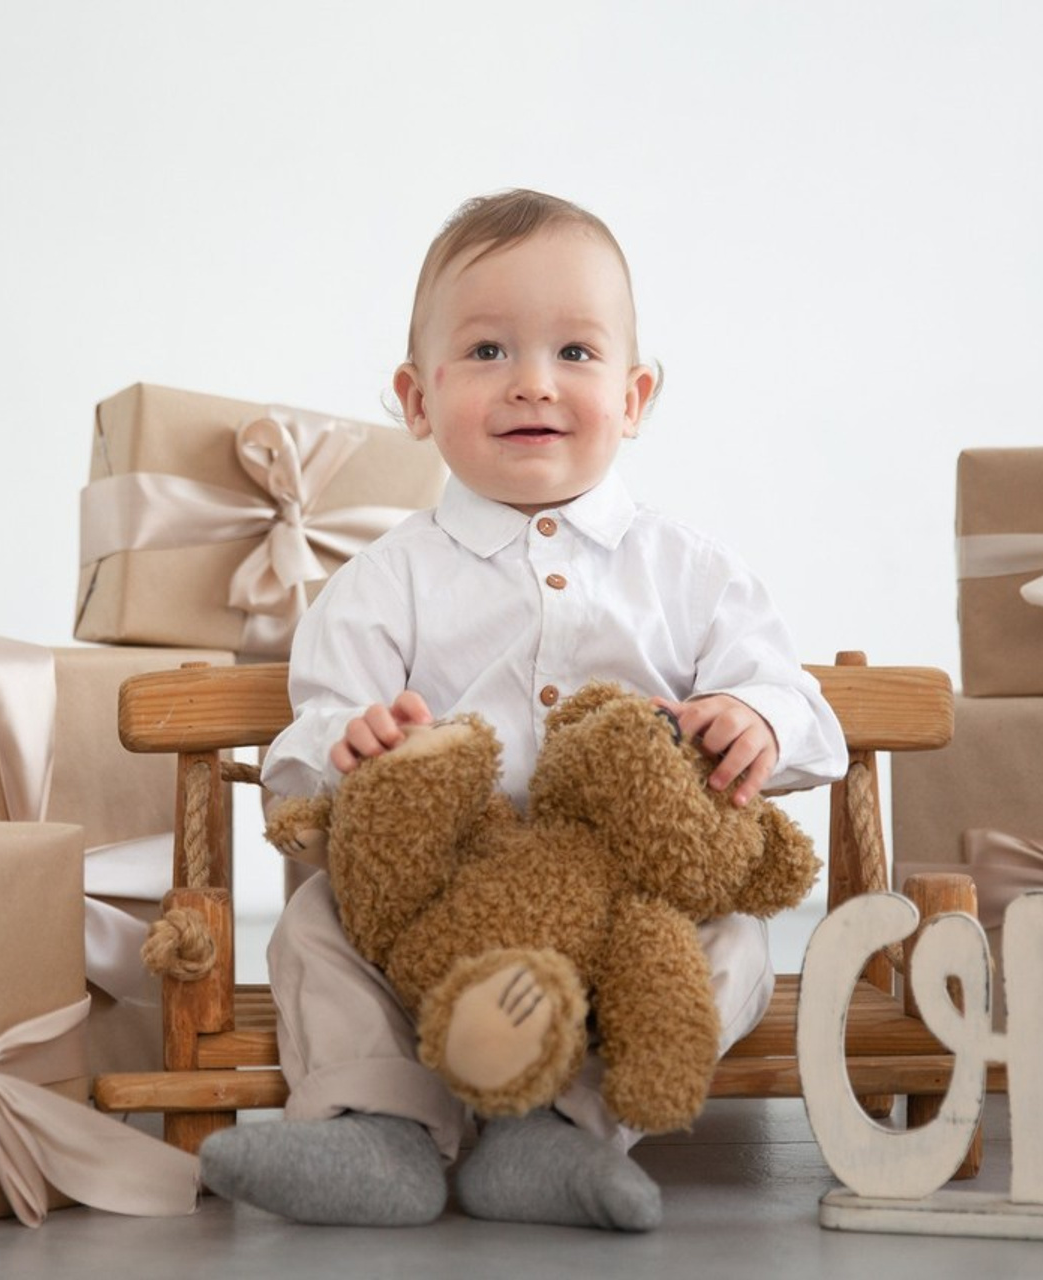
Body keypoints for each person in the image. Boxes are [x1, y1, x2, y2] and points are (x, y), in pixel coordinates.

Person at [200, 189, 848, 1231]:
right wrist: (346, 743)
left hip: (619, 909)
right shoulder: (383, 579)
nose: (533, 384)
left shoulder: (687, 572)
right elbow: (302, 743)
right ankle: (380, 1122)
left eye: (576, 354)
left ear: (634, 396)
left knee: (728, 942)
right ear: (417, 397)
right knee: (313, 924)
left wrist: (753, 714)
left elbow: (811, 718)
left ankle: (561, 1130)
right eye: (490, 350)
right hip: (436, 903)